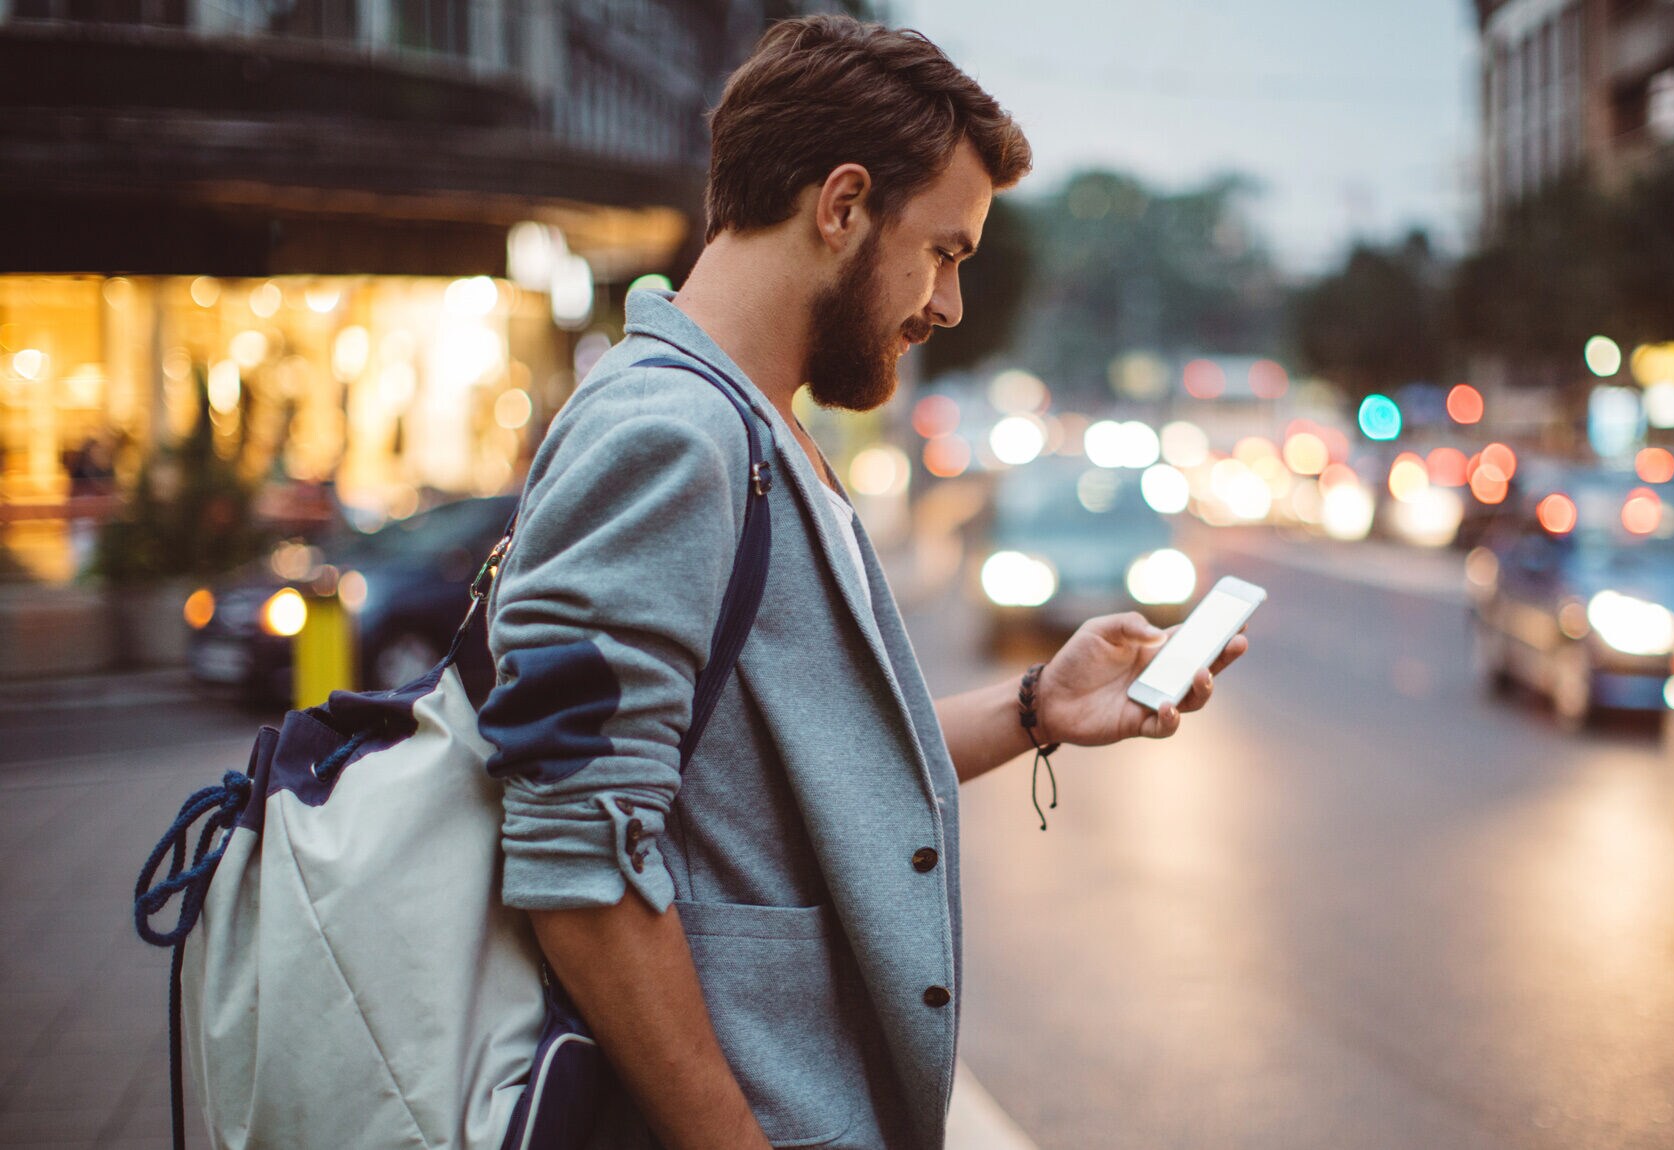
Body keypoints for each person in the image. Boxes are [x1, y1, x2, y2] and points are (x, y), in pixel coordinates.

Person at [480, 15, 1250, 1150]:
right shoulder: (669, 433)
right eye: (943, 251)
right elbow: (572, 857)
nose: (945, 305)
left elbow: (801, 776)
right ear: (840, 206)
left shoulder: (754, 428)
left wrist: (1037, 705)